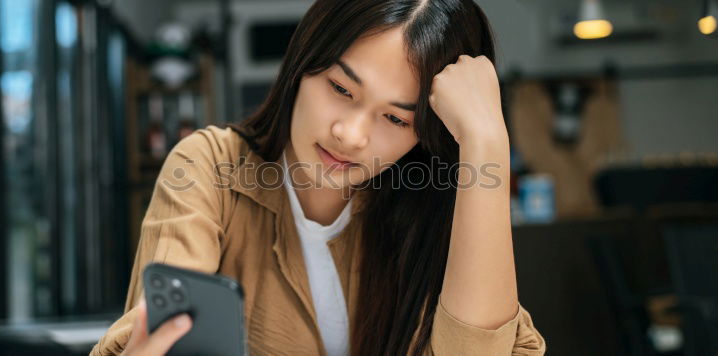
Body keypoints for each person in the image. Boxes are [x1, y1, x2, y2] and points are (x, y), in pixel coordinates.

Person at [92, 0, 546, 354]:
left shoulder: (434, 202)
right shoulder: (211, 166)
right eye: (340, 89)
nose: (349, 135)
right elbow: (156, 338)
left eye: (396, 119)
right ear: (302, 64)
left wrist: (487, 142)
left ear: (427, 137)